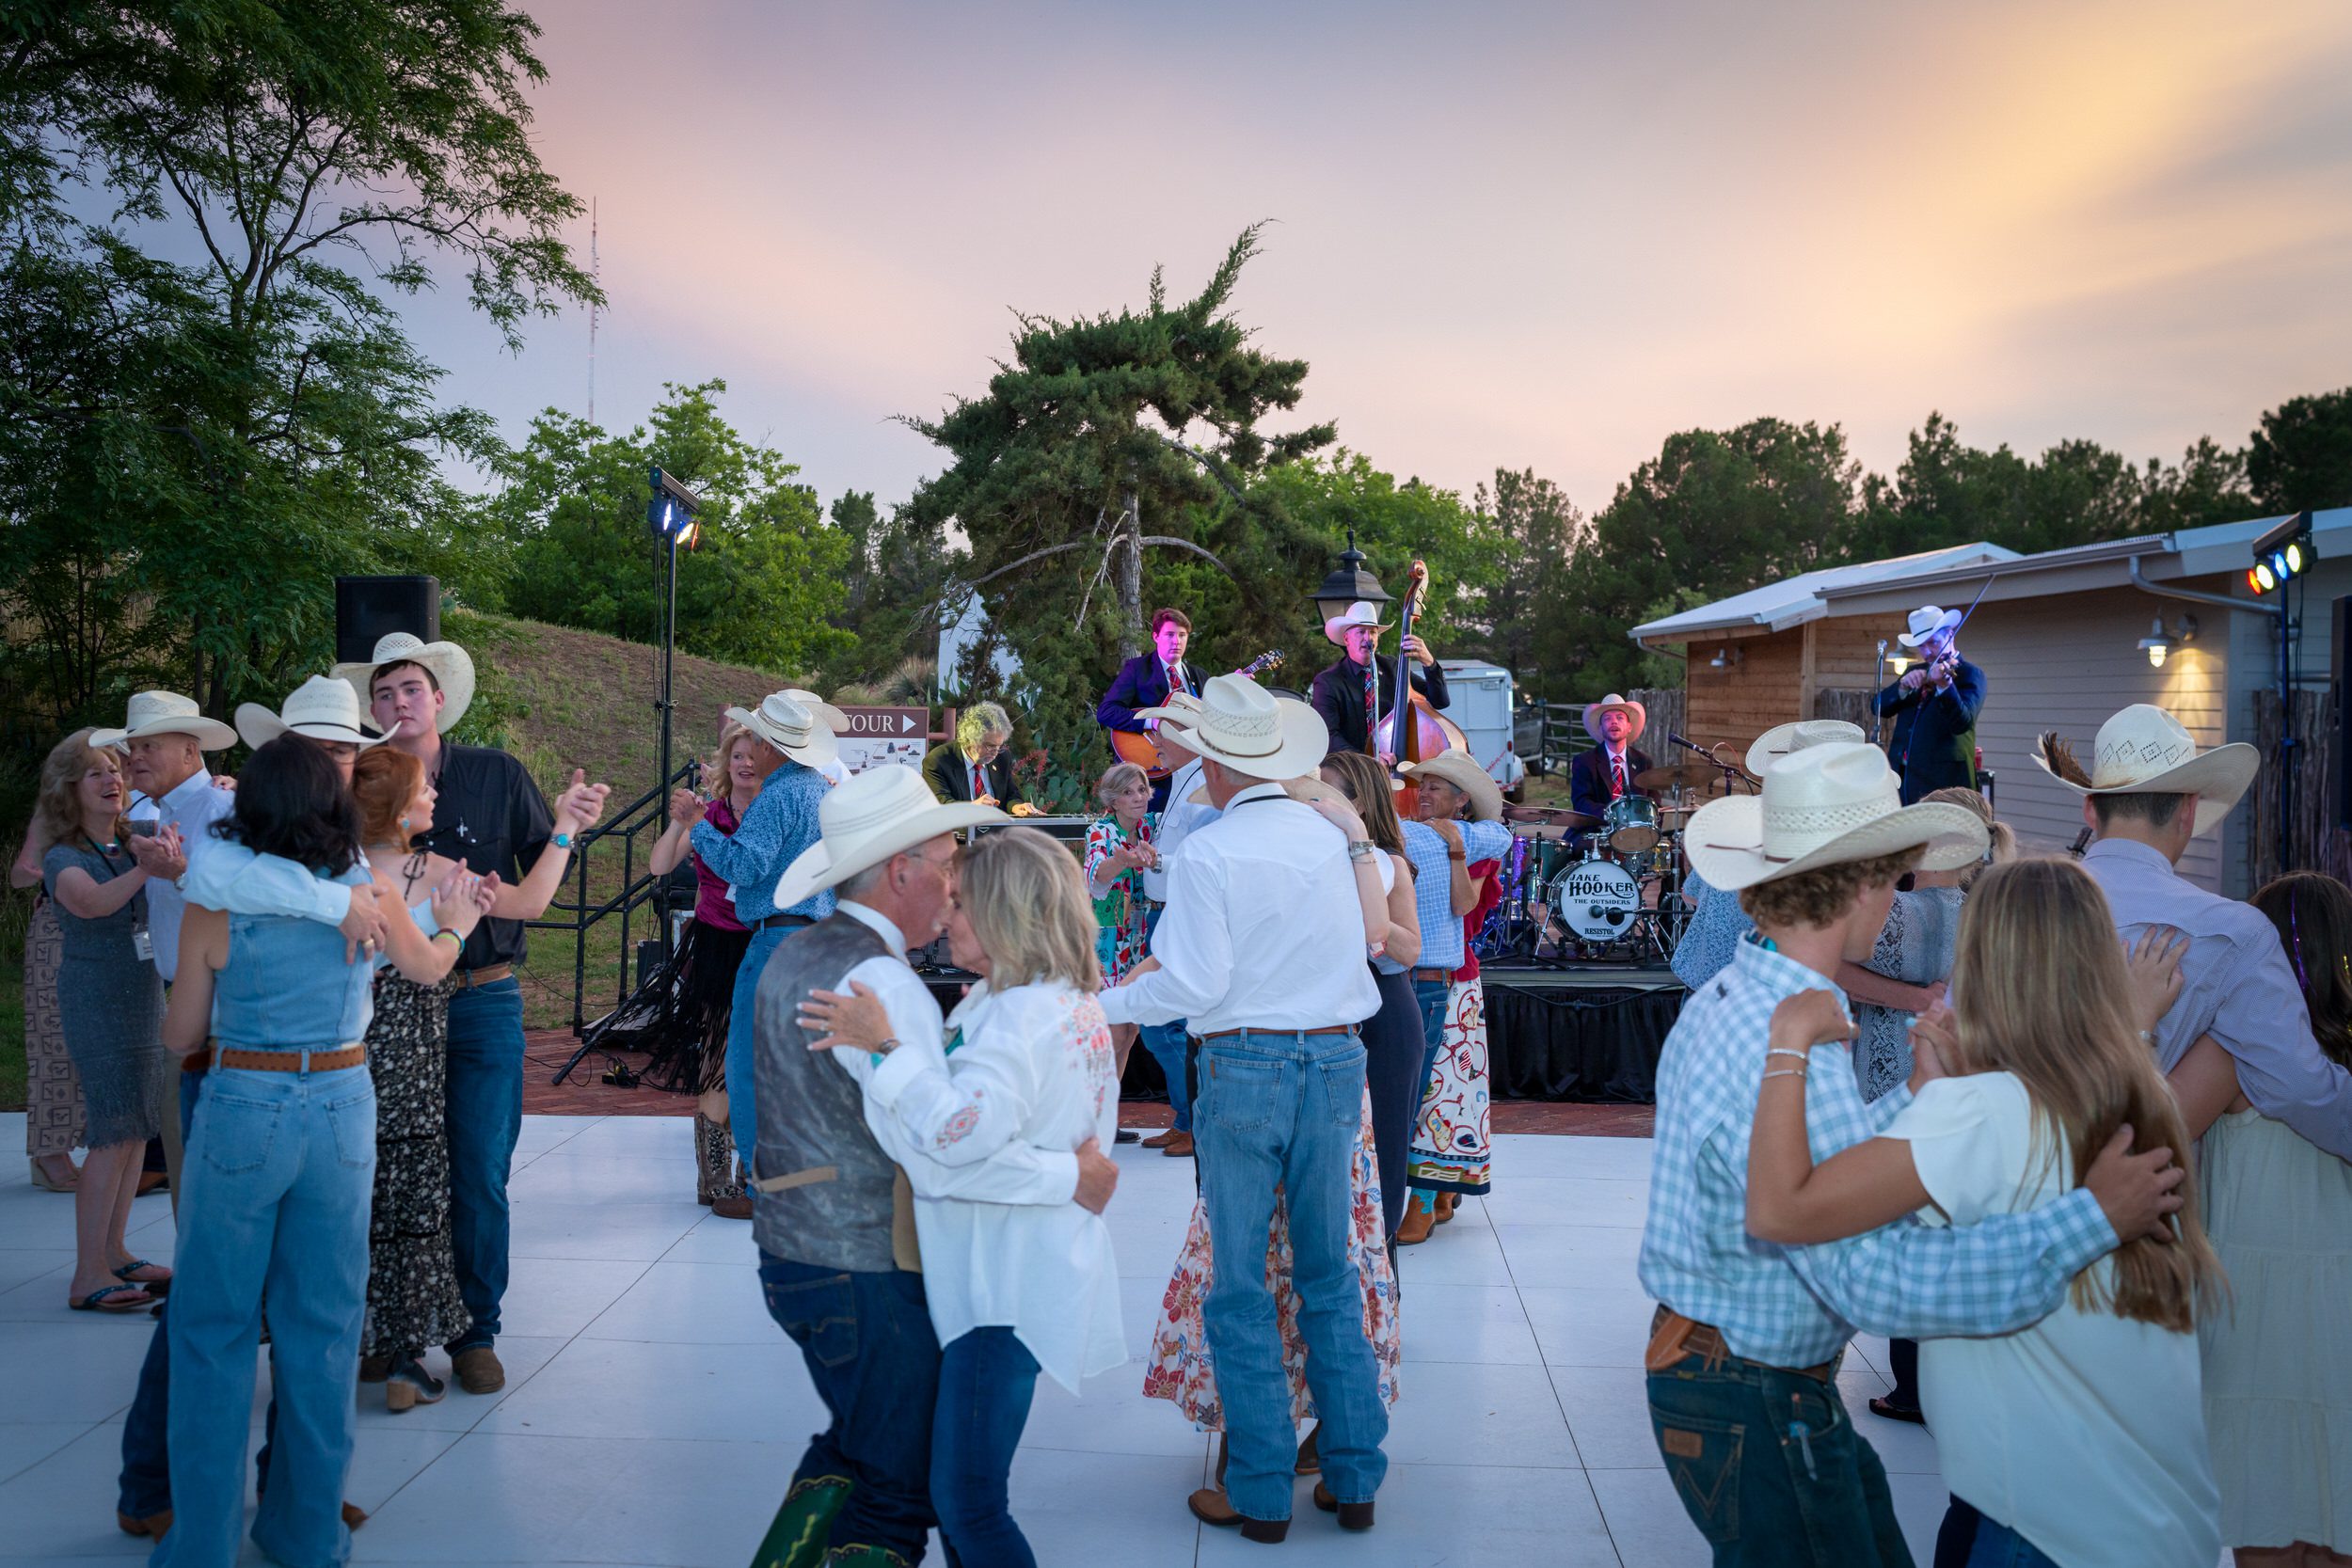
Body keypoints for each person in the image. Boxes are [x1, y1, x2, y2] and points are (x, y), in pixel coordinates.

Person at [1639, 739, 2188, 1565]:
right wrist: (2092, 1217)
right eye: (1895, 881)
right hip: (1754, 1383)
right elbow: (1872, 1276)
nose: (1894, 902)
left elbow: (1831, 1174)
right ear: (1864, 884)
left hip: (1734, 1371)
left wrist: (1914, 1096)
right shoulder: (1784, 1034)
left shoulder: (1748, 996)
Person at [1741, 856, 2224, 1568]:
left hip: (2044, 1526)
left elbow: (1783, 1209)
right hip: (2158, 1519)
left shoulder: (1983, 1110)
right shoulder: (2137, 1093)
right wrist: (1930, 1089)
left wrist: (1788, 1046)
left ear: (1984, 962)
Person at [736, 764, 1120, 1568]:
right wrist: (1070, 1179)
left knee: (857, 1450)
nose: (952, 892)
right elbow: (940, 1148)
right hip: (866, 1266)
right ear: (900, 870)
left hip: (793, 1247)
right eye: (947, 865)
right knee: (898, 1488)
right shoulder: (884, 983)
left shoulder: (794, 952)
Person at [155, 736, 485, 1568]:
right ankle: (306, 1535)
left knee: (212, 1331)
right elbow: (429, 965)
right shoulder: (367, 890)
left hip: (242, 1103)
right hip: (343, 1106)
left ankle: (199, 1546)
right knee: (325, 1331)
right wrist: (457, 925)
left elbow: (181, 1033)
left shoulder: (215, 906)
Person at [1102, 675, 1390, 1541]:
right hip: (1338, 1056)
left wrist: (1099, 1005)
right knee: (1329, 1275)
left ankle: (1262, 1489)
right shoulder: (1330, 837)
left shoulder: (1210, 851)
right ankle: (1354, 1474)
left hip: (1248, 1062)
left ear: (1219, 768)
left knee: (1240, 1287)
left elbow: (1191, 982)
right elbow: (1376, 941)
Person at [333, 630, 611, 1397]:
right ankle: (391, 1332)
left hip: (483, 995)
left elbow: (528, 894)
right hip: (389, 1012)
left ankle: (473, 1333)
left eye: (410, 688)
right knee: (391, 1170)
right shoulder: (349, 781)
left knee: (478, 1173)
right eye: (382, 692)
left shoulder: (493, 773)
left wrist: (565, 825)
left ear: (440, 698)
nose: (396, 702)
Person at [2040, 704, 2352, 1161]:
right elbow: (2301, 1091)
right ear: (2188, 811)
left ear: (2091, 809)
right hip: (2128, 1199)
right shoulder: (2233, 934)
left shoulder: (2008, 912)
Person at [2175, 872, 2352, 1568]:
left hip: (2254, 1321)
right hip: (2339, 1320)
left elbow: (2149, 1132)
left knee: (2269, 1539)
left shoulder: (2233, 1052)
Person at [1845, 784, 2015, 1424]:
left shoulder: (1907, 913)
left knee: (1908, 1231)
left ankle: (1912, 1387)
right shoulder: (1990, 909)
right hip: (1977, 1085)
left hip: (1901, 1080)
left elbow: (1832, 963)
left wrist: (1908, 1000)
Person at [672, 689, 837, 1186]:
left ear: (770, 746)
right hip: (814, 939)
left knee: (743, 1066)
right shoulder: (820, 790)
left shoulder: (779, 794)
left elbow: (745, 865)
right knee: (796, 1066)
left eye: (757, 740)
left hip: (773, 940)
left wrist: (697, 826)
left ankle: (759, 1179)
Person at [34, 730, 171, 1312]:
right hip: (97, 1000)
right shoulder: (61, 856)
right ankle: (87, 1274)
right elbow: (89, 903)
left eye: (115, 770)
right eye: (96, 773)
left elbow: (185, 830)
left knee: (138, 1126)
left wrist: (223, 787)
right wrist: (150, 869)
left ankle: (117, 1251)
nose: (114, 780)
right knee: (112, 1131)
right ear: (70, 789)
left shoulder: (131, 839)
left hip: (143, 995)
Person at [648, 720, 784, 1216]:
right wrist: (682, 821)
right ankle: (713, 1176)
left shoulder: (778, 813)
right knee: (719, 1059)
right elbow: (660, 866)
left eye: (754, 755)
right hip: (718, 945)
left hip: (767, 941)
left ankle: (752, 1170)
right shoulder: (711, 816)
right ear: (726, 765)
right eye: (738, 757)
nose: (746, 764)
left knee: (762, 1060)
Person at [1396, 748, 1513, 1244]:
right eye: (1422, 786)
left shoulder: (1477, 845)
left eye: (1436, 788)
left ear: (1462, 801)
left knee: (1439, 1091)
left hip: (1454, 977)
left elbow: (1462, 906)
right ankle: (1438, 1193)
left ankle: (1424, 1199)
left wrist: (1457, 852)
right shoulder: (1412, 836)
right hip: (1410, 967)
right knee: (1425, 1086)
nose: (1424, 794)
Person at [1667, 721, 1867, 993]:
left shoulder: (1732, 815)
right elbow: (1825, 956)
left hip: (1704, 990)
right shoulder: (1823, 842)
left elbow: (1691, 895)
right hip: (1763, 1002)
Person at [1318, 750, 1425, 1239]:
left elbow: (1408, 950)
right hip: (1328, 1013)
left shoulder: (1392, 865)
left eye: (1326, 790)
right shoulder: (1308, 855)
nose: (1313, 799)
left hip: (1385, 1017)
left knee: (1384, 1150)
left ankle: (1380, 1277)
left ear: (1358, 803)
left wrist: (1370, 922)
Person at [1134, 692, 1216, 1156]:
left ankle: (1193, 1120)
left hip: (1179, 915)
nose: (1153, 739)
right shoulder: (1188, 778)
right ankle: (1187, 1117)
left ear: (1185, 735)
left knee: (1164, 1025)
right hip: (1166, 912)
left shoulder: (1202, 782)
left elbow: (1204, 855)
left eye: (1161, 730)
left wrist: (1156, 858)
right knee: (1165, 1023)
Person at [13, 822, 87, 1193]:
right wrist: (44, 873)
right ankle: (49, 1153)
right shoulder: (53, 816)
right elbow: (19, 876)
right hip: (58, 934)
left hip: (112, 935)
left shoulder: (136, 805)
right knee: (55, 1042)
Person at [1083, 760, 1156, 1111]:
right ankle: (1090, 1113)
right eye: (1128, 792)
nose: (1138, 797)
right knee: (1110, 1032)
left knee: (1129, 1033)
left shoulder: (1151, 829)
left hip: (1139, 939)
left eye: (1142, 789)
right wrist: (1123, 861)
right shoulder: (1101, 831)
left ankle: (1107, 1115)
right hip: (1108, 940)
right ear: (1112, 800)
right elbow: (1097, 875)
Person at [1309, 599, 1450, 760]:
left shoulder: (1393, 667)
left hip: (1398, 761)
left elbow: (1440, 701)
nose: (1368, 638)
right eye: (1361, 632)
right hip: (1352, 770)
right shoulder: (1328, 681)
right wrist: (1370, 760)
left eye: (1373, 632)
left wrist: (1429, 663)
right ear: (1347, 639)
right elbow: (1329, 736)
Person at [1875, 604, 1986, 804]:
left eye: (1933, 643)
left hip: (1943, 784)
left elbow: (1963, 722)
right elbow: (1878, 707)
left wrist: (1945, 686)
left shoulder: (1970, 674)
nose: (1927, 653)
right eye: (1921, 646)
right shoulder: (1915, 671)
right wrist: (1902, 688)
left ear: (1950, 636)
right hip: (1903, 779)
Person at [1097, 607, 1204, 735]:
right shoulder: (1137, 669)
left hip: (1188, 751)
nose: (1177, 641)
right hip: (1148, 749)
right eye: (1170, 634)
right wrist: (1150, 722)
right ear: (1156, 637)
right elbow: (1106, 711)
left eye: (1182, 635)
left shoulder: (1200, 675)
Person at [1567, 693, 1657, 823]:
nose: (1614, 722)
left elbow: (1655, 803)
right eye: (1607, 719)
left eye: (1620, 718)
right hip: (1598, 831)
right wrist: (1616, 815)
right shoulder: (1584, 761)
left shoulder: (1644, 762)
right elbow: (1581, 803)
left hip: (1637, 834)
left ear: (1629, 727)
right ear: (1601, 728)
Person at [922, 700, 1026, 808]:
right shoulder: (938, 761)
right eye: (990, 746)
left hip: (997, 824)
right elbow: (941, 806)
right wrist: (972, 807)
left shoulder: (1002, 757)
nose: (996, 752)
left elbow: (1012, 795)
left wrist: (1017, 807)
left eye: (999, 746)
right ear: (970, 739)